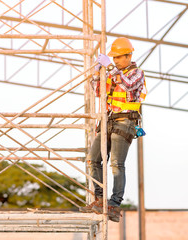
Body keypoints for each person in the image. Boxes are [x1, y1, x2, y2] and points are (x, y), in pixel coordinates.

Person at [79, 37, 147, 222]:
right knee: (93, 160)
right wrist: (97, 73)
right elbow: (99, 90)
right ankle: (100, 199)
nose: (115, 60)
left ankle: (114, 204)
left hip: (125, 122)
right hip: (108, 121)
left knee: (117, 164)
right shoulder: (113, 72)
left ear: (128, 55)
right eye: (113, 58)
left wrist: (109, 68)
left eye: (118, 57)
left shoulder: (136, 73)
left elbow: (128, 84)